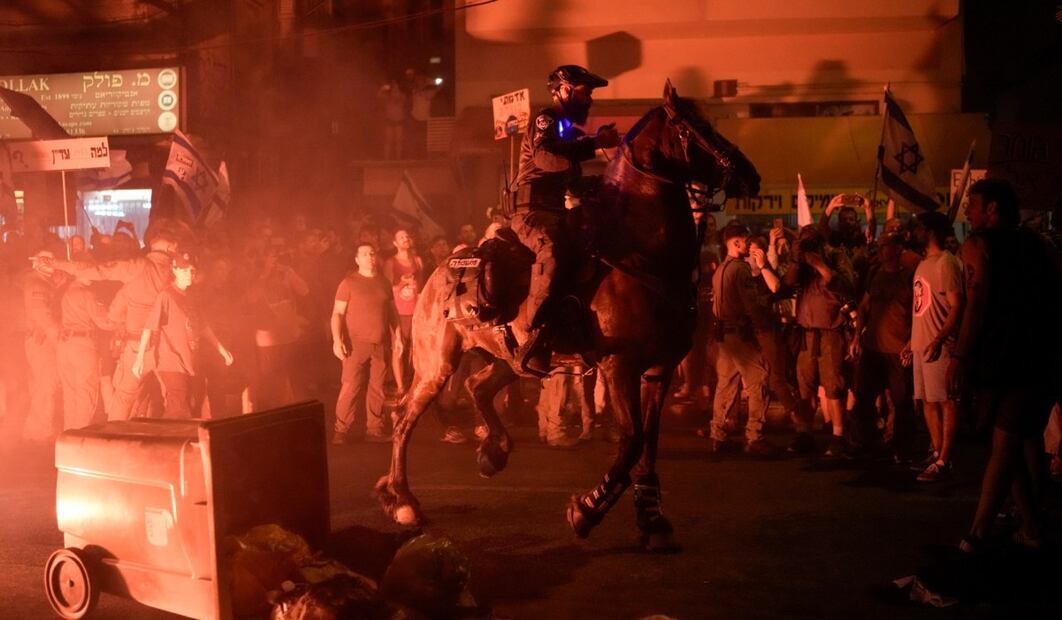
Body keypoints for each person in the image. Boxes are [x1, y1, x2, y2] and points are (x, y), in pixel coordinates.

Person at [953, 179, 1061, 552]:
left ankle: (978, 532)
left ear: (993, 208)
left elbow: (976, 301)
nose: (967, 211)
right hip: (1040, 355)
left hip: (1000, 358)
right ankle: (1031, 525)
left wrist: (960, 355)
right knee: (1010, 443)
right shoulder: (1041, 245)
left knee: (1003, 445)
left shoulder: (977, 245)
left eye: (973, 203)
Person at [510, 64, 620, 374]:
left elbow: (572, 184)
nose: (590, 99)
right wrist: (594, 143)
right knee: (553, 251)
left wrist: (608, 184)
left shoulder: (569, 132)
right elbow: (546, 159)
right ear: (564, 90)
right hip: (531, 212)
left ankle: (577, 324)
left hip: (557, 212)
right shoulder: (546, 119)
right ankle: (533, 336)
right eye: (585, 92)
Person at [52, 221, 183, 420]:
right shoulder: (179, 271)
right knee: (175, 398)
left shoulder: (136, 268)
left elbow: (98, 270)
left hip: (137, 345)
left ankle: (114, 434)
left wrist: (57, 264)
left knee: (124, 398)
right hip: (168, 346)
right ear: (172, 246)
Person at [784, 225, 856, 457]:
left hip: (831, 331)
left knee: (834, 384)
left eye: (811, 241)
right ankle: (804, 433)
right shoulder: (802, 264)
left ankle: (838, 435)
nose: (808, 246)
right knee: (805, 385)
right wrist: (797, 260)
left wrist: (819, 264)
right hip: (806, 332)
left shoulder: (835, 256)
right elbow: (787, 284)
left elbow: (847, 286)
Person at [133, 253, 234, 419]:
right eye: (184, 270)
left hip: (191, 362)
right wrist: (139, 359)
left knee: (194, 405)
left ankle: (173, 433)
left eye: (192, 271)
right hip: (172, 363)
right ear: (174, 270)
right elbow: (149, 327)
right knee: (179, 409)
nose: (189, 275)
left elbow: (203, 326)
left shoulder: (192, 296)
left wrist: (221, 349)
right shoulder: (166, 296)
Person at [708, 222, 777, 457]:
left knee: (726, 384)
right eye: (746, 241)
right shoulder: (740, 269)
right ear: (737, 242)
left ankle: (718, 436)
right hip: (739, 335)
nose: (749, 245)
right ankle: (754, 437)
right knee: (759, 380)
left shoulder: (721, 269)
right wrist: (769, 303)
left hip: (724, 335)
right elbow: (752, 305)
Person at [848, 232, 915, 460]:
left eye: (885, 245)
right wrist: (857, 336)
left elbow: (917, 312)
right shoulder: (875, 274)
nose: (880, 249)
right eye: (880, 244)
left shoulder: (909, 277)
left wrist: (911, 342)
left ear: (897, 248)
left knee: (901, 401)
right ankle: (863, 442)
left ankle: (902, 448)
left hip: (897, 348)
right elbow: (864, 306)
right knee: (864, 397)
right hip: (873, 347)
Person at [908, 211, 965, 481]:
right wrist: (911, 341)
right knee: (928, 401)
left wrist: (939, 338)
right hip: (922, 345)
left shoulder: (947, 262)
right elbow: (921, 307)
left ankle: (945, 458)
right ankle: (936, 452)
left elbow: (957, 305)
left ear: (930, 231)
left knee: (946, 401)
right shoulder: (923, 264)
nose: (914, 233)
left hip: (939, 345)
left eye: (918, 228)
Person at [331, 243, 400, 444]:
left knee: (378, 387)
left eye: (372, 253)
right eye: (364, 254)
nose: (369, 257)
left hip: (381, 344)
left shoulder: (384, 282)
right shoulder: (348, 283)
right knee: (351, 386)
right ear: (357, 259)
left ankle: (374, 429)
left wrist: (398, 336)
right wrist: (337, 340)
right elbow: (337, 314)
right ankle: (341, 431)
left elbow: (392, 312)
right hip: (355, 344)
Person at [57, 277, 117, 430]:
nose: (92, 275)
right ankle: (80, 434)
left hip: (65, 345)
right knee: (86, 392)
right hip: (83, 346)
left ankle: (68, 435)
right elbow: (104, 322)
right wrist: (122, 322)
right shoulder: (87, 294)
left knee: (70, 393)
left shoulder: (66, 292)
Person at [22, 250, 64, 442]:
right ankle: (39, 432)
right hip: (42, 341)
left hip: (41, 340)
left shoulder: (42, 282)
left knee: (43, 385)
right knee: (46, 385)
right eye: (49, 261)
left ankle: (37, 430)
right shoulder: (38, 284)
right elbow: (43, 317)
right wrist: (58, 342)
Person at [382, 229, 424, 395]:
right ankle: (400, 388)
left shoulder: (417, 260)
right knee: (399, 349)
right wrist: (401, 283)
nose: (405, 239)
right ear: (395, 243)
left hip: (416, 311)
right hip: (399, 312)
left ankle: (415, 384)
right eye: (401, 237)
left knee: (416, 349)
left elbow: (421, 287)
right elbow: (386, 290)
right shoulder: (391, 262)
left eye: (407, 236)